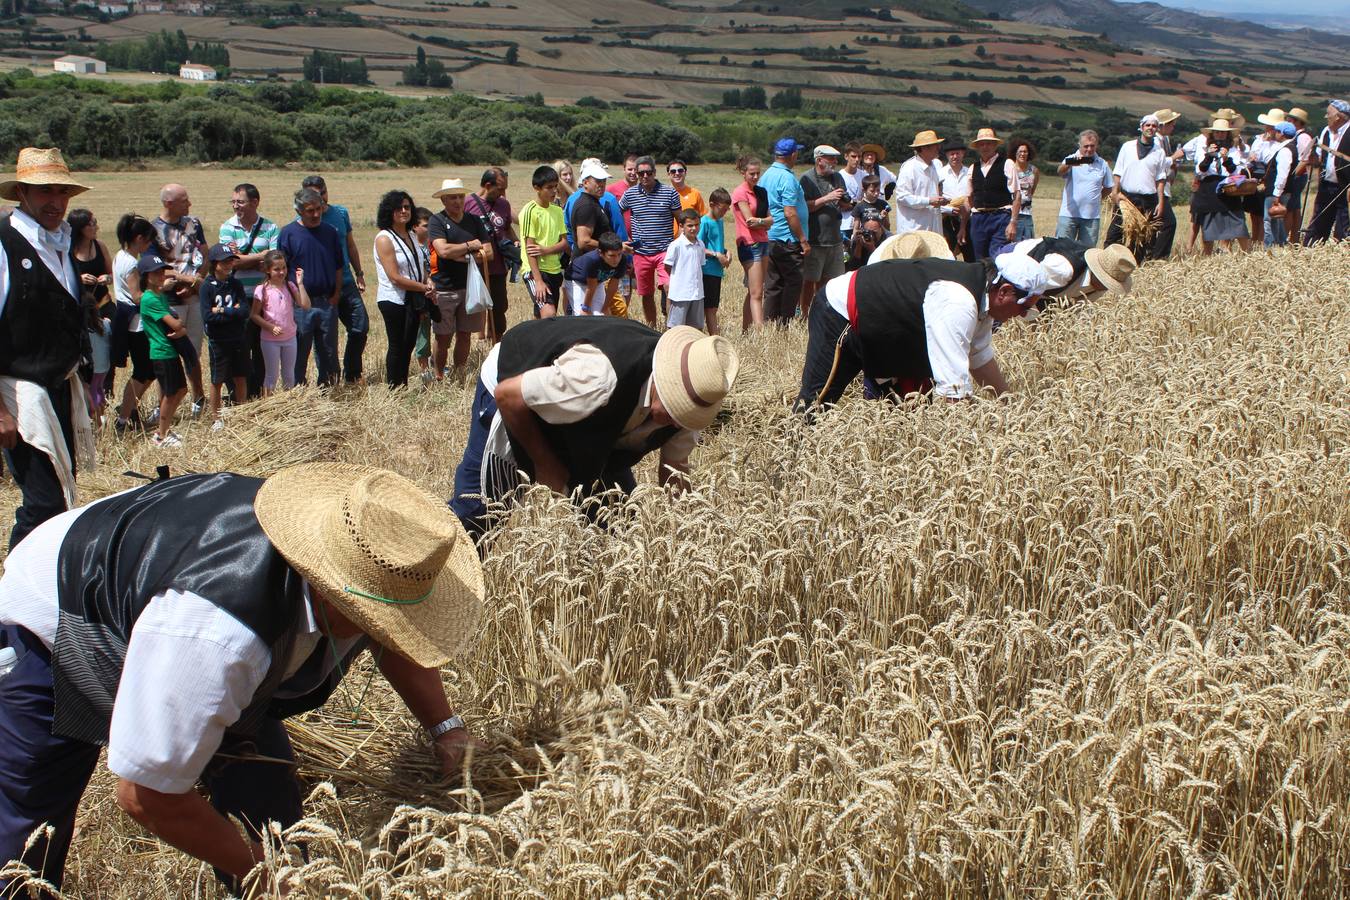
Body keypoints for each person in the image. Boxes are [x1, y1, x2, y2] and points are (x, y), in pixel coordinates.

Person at [0, 462, 485, 896]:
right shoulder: (218, 636)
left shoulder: (350, 556)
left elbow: (393, 630)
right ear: (340, 597)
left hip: (161, 589)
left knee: (271, 806)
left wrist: (446, 727)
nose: (394, 633)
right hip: (57, 619)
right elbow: (148, 794)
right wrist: (268, 874)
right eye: (380, 620)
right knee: (26, 834)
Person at [448, 318, 739, 540]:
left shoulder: (695, 404)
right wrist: (545, 464)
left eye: (687, 415)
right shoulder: (596, 378)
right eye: (677, 408)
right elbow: (508, 396)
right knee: (478, 514)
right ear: (666, 381)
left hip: (592, 422)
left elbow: (674, 471)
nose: (678, 423)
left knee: (618, 522)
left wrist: (684, 530)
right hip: (516, 379)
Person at [793, 254, 1049, 413]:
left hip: (890, 334)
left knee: (906, 416)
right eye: (1024, 307)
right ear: (1003, 291)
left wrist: (1011, 406)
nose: (1024, 315)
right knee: (816, 404)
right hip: (842, 313)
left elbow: (978, 357)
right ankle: (787, 467)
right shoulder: (958, 302)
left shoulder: (983, 298)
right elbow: (954, 392)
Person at [0, 148, 92, 548]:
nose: (56, 202)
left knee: (59, 499)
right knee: (43, 504)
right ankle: (11, 594)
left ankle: (40, 589)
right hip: (20, 394)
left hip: (57, 387)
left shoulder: (60, 244)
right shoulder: (4, 244)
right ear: (22, 192)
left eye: (62, 192)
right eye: (44, 192)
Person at [297, 175, 368, 385]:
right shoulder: (302, 223)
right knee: (324, 340)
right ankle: (328, 381)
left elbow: (351, 245)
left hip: (346, 283)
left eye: (323, 192)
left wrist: (360, 273)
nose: (320, 199)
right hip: (321, 291)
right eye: (314, 195)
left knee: (360, 326)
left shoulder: (340, 213)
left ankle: (352, 373)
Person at [218, 183, 280, 398]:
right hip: (238, 296)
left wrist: (245, 259)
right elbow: (230, 263)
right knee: (239, 346)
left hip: (263, 298)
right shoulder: (227, 227)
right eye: (233, 202)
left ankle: (258, 392)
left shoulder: (270, 227)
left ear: (255, 202)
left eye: (240, 202)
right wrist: (260, 256)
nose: (236, 206)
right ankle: (238, 393)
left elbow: (274, 261)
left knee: (261, 347)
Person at [151, 183, 208, 415]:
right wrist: (186, 280)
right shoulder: (152, 230)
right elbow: (153, 268)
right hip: (169, 300)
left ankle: (199, 398)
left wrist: (197, 282)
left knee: (193, 352)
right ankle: (163, 403)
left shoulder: (193, 224)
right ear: (168, 203)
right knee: (167, 354)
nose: (190, 203)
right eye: (184, 200)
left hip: (193, 298)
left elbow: (205, 255)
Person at [277, 188, 342, 386]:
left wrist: (336, 295)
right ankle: (297, 391)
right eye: (310, 211)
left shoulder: (330, 232)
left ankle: (329, 389)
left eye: (318, 209)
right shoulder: (288, 234)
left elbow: (339, 265)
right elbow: (280, 270)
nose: (315, 215)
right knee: (298, 350)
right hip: (300, 304)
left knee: (329, 351)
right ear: (299, 211)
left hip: (326, 301)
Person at [428, 178, 492, 379]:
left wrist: (461, 256)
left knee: (465, 334)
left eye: (460, 196)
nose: (457, 201)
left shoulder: (474, 220)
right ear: (443, 200)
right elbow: (442, 250)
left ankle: (460, 372)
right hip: (444, 287)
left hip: (470, 286)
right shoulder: (437, 221)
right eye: (452, 197)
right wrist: (470, 247)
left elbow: (488, 253)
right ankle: (438, 374)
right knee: (443, 335)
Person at [372, 190, 430, 388]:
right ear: (389, 211)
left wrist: (428, 282)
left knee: (409, 344)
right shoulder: (384, 238)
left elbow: (420, 265)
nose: (404, 211)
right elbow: (395, 277)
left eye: (407, 207)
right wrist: (423, 287)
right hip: (393, 299)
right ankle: (394, 387)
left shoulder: (412, 235)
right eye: (399, 208)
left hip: (413, 298)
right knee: (397, 345)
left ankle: (402, 383)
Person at [619, 156, 681, 326]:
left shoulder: (669, 193)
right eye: (641, 173)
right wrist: (623, 239)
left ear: (654, 172)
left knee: (670, 288)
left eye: (648, 172)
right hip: (641, 253)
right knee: (646, 294)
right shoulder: (630, 194)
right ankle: (652, 327)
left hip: (664, 251)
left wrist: (677, 243)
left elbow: (680, 220)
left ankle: (671, 326)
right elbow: (617, 215)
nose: (644, 176)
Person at [111, 215, 159, 434]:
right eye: (148, 240)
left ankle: (129, 408)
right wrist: (159, 291)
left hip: (126, 319)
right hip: (136, 324)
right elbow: (137, 296)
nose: (149, 245)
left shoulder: (119, 256)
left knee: (148, 372)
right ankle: (124, 417)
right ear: (139, 238)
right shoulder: (131, 263)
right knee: (143, 372)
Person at [137, 251, 190, 447]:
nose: (161, 275)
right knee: (170, 393)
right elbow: (176, 324)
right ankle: (160, 436)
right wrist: (180, 326)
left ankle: (165, 428)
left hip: (170, 350)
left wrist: (180, 325)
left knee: (182, 390)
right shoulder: (149, 299)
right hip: (161, 351)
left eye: (162, 271)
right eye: (156, 273)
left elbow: (177, 323)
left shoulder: (160, 296)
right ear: (146, 277)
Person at [68, 209, 113, 422]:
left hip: (103, 305)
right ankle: (90, 405)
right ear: (80, 228)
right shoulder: (68, 249)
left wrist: (106, 278)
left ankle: (105, 395)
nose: (96, 226)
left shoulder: (100, 246)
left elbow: (111, 275)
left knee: (107, 357)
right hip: (82, 310)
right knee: (88, 361)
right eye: (91, 224)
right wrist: (79, 278)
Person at [199, 244, 251, 429]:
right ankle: (216, 418)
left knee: (240, 376)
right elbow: (207, 316)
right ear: (214, 263)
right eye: (225, 261)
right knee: (217, 380)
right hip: (218, 341)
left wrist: (221, 310)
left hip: (237, 337)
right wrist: (232, 312)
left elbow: (244, 311)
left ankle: (243, 411)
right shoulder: (207, 286)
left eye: (231, 260)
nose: (229, 264)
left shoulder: (235, 284)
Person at [760, 137, 810, 326]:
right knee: (794, 281)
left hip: (770, 236)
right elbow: (790, 212)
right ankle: (785, 322)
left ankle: (769, 320)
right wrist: (802, 240)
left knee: (773, 283)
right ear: (793, 155)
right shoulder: (787, 178)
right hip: (787, 239)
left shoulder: (766, 175)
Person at [1106, 115, 1169, 261]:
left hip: (1148, 199)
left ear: (1157, 129)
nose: (1151, 128)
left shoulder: (1159, 152)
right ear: (1141, 127)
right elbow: (1118, 171)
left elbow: (1160, 179)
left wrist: (1160, 202)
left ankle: (1135, 266)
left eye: (1154, 126)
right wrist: (1115, 192)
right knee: (1115, 233)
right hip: (1127, 197)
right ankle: (1108, 262)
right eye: (1148, 125)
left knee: (1141, 237)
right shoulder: (1127, 147)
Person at [797, 145, 850, 319]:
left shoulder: (838, 177)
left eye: (836, 158)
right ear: (819, 160)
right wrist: (827, 198)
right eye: (831, 158)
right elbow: (803, 207)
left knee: (831, 282)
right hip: (815, 240)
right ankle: (804, 314)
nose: (835, 162)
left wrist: (847, 203)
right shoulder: (807, 179)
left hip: (835, 239)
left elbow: (843, 204)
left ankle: (824, 314)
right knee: (809, 280)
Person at [465, 167, 518, 340]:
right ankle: (479, 339)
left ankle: (496, 342)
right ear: (488, 185)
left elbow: (507, 227)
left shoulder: (504, 204)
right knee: (477, 308)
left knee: (499, 307)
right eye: (500, 189)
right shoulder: (468, 203)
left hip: (498, 267)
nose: (503, 193)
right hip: (475, 267)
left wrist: (515, 242)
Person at [251, 250, 310, 396]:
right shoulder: (262, 290)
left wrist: (300, 284)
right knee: (272, 375)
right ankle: (268, 405)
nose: (281, 272)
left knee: (289, 375)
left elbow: (305, 305)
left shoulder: (290, 286)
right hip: (270, 340)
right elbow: (254, 315)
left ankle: (288, 404)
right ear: (268, 270)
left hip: (290, 338)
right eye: (277, 269)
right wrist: (270, 327)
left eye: (284, 268)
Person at [1192, 118, 1253, 255]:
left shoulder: (1233, 150)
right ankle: (1207, 256)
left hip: (1228, 189)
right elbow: (1200, 170)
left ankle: (1248, 255)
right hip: (1209, 190)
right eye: (1217, 132)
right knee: (1208, 227)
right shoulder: (1204, 149)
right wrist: (1208, 155)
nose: (1220, 135)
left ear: (1227, 135)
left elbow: (1236, 171)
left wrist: (1226, 159)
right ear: (1213, 134)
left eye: (1223, 133)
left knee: (1238, 224)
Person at [520, 164, 568, 319]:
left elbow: (564, 243)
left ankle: (532, 343)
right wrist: (538, 281)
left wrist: (546, 250)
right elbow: (530, 249)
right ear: (537, 188)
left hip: (554, 270)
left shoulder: (558, 211)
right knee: (549, 314)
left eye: (555, 186)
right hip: (536, 272)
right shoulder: (530, 211)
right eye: (549, 187)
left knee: (541, 318)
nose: (554, 191)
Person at [967, 128, 1022, 259]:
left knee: (997, 256)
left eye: (989, 143)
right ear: (977, 147)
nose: (985, 146)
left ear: (995, 145)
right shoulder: (972, 168)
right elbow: (969, 197)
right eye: (982, 143)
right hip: (978, 219)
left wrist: (1013, 222)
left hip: (1001, 216)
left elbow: (1017, 195)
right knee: (979, 258)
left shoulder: (1007, 164)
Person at [731, 156, 770, 329]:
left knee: (755, 289)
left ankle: (746, 330)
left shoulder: (761, 192)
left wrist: (761, 222)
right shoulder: (740, 193)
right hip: (749, 244)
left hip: (763, 242)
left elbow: (770, 220)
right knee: (757, 292)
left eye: (757, 173)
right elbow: (749, 221)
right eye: (751, 174)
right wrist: (764, 222)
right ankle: (760, 332)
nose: (755, 177)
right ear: (743, 173)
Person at [1055, 129, 1113, 247]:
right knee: (1062, 250)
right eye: (1086, 146)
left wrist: (1096, 199)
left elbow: (1108, 187)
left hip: (1091, 217)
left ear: (1097, 145)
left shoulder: (1103, 164)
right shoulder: (1071, 159)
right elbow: (1060, 172)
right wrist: (1069, 164)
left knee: (1087, 253)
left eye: (1092, 146)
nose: (1089, 149)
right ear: (1079, 145)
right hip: (1069, 215)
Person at [1306, 99, 1350, 245]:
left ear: (1338, 117)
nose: (1326, 117)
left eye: (1328, 114)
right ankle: (1308, 254)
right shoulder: (1326, 132)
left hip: (1345, 187)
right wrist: (1313, 159)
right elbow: (1320, 159)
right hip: (1326, 185)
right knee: (1318, 225)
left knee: (1344, 228)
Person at [894, 130, 945, 237]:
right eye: (935, 145)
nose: (938, 148)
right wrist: (929, 201)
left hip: (932, 227)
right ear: (924, 148)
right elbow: (902, 197)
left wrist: (940, 201)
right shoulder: (909, 168)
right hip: (914, 229)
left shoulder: (935, 166)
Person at [605, 154, 639, 315]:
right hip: (619, 245)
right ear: (623, 169)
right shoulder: (612, 191)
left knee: (628, 288)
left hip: (637, 246)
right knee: (617, 288)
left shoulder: (643, 190)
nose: (633, 173)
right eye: (629, 169)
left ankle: (623, 318)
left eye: (636, 169)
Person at [664, 208, 706, 330]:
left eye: (697, 225)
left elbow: (700, 266)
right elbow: (667, 266)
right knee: (676, 328)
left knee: (695, 328)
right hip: (680, 294)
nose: (694, 228)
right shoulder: (676, 245)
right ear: (681, 226)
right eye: (690, 225)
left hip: (697, 293)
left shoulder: (701, 244)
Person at [566, 232, 625, 316]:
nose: (616, 259)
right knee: (582, 316)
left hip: (597, 282)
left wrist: (605, 308)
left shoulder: (622, 260)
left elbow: (613, 286)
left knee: (601, 316)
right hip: (576, 281)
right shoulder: (592, 260)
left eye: (619, 254)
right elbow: (591, 286)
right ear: (601, 253)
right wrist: (585, 308)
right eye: (611, 256)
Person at [697, 189, 731, 335]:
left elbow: (716, 244)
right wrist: (717, 255)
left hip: (716, 271)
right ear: (712, 204)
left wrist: (726, 251)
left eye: (726, 209)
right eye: (722, 209)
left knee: (713, 307)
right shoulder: (704, 222)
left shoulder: (720, 222)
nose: (724, 212)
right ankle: (714, 337)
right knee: (709, 308)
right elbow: (697, 246)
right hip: (707, 270)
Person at [1151, 109, 1182, 259]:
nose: (1173, 127)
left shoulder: (1165, 140)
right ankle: (1159, 256)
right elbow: (1158, 163)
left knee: (1158, 224)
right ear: (1163, 125)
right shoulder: (1156, 142)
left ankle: (1154, 254)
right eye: (1171, 124)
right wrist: (1174, 158)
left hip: (1164, 187)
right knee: (1169, 223)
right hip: (1156, 188)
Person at [411, 206, 437, 385]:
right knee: (423, 332)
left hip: (434, 293)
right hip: (421, 295)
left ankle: (436, 365)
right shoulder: (413, 247)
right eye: (425, 225)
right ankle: (424, 370)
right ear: (414, 227)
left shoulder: (431, 245)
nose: (429, 229)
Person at [1262, 122, 1298, 247]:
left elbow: (1282, 174)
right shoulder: (1289, 147)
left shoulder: (1285, 150)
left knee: (1270, 220)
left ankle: (1271, 247)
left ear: (1282, 134)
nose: (1275, 133)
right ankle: (1280, 244)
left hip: (1276, 191)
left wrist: (1276, 193)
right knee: (1277, 220)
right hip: (1281, 190)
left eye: (1277, 131)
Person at [937, 138, 972, 261]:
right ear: (947, 155)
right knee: (947, 254)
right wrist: (949, 209)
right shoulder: (940, 174)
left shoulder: (970, 173)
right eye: (952, 154)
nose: (955, 156)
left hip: (967, 219)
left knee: (970, 253)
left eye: (958, 153)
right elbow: (936, 200)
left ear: (963, 154)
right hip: (946, 220)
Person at [1285, 107, 1316, 243]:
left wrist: (1293, 175)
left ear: (1296, 121)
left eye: (1290, 119)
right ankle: (1294, 239)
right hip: (1298, 175)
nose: (1287, 120)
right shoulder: (1300, 135)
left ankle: (1291, 238)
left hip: (1297, 176)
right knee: (1295, 207)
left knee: (1291, 208)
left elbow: (1305, 159)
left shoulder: (1302, 137)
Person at [1008, 138, 1039, 240]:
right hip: (1010, 213)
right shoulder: (1009, 169)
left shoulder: (1034, 171)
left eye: (1025, 151)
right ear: (1015, 153)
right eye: (1020, 151)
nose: (1022, 154)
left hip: (1026, 214)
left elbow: (1031, 192)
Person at [838, 142, 867, 246]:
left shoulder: (864, 175)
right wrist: (858, 204)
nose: (857, 159)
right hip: (844, 224)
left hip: (860, 223)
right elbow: (840, 204)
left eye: (859, 156)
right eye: (853, 156)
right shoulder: (839, 176)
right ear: (846, 156)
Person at [667, 159, 706, 234]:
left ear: (685, 173)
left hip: (689, 240)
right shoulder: (664, 194)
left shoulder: (695, 193)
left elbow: (703, 218)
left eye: (680, 170)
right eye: (673, 171)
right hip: (667, 241)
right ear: (668, 174)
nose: (677, 173)